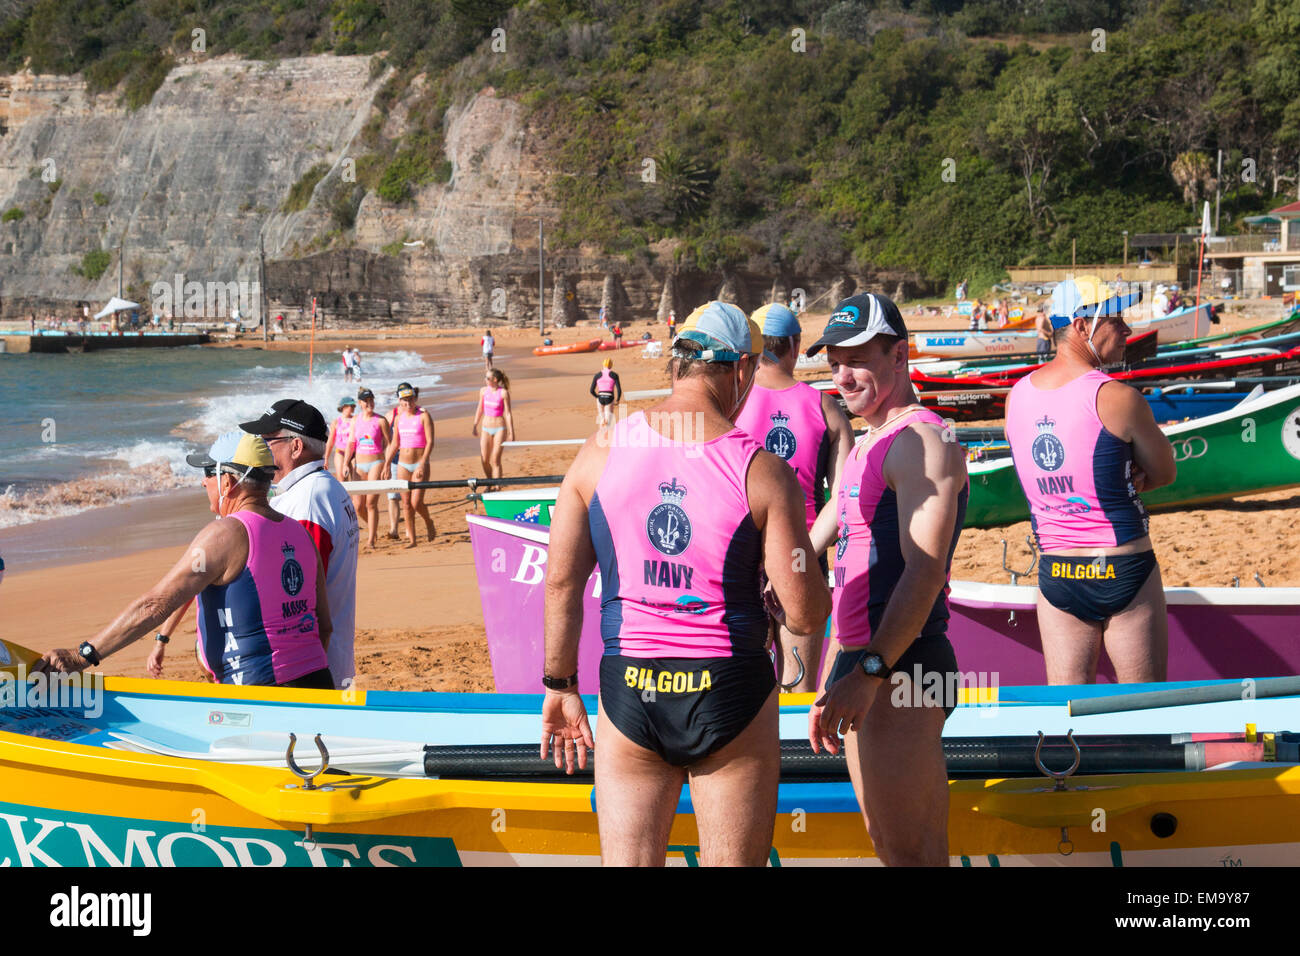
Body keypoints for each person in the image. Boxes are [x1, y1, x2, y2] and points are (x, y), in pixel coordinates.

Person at [541, 300, 831, 866]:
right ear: (742, 372)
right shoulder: (762, 470)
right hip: (727, 690)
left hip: (631, 688)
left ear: (676, 365)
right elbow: (805, 612)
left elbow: (561, 583)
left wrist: (559, 684)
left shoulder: (599, 452)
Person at [800, 292, 969, 867]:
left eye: (859, 359)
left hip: (904, 662)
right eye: (834, 363)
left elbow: (925, 569)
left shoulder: (924, 440)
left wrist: (870, 670)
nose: (844, 376)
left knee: (912, 853)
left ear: (900, 355)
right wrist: (783, 573)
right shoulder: (870, 440)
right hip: (865, 656)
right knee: (889, 844)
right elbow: (829, 525)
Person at [36, 432, 333, 688]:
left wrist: (82, 656)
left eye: (207, 473)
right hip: (318, 681)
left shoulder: (225, 534)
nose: (204, 483)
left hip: (260, 695)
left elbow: (154, 605)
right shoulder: (299, 533)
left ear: (228, 481)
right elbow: (325, 625)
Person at [1005, 276, 1176, 685]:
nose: (1128, 330)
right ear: (1083, 326)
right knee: (1145, 717)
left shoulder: (1016, 396)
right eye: (1116, 319)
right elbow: (1166, 472)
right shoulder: (1117, 396)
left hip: (1058, 572)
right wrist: (1124, 481)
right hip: (1122, 568)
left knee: (1068, 721)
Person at [735, 303, 854, 692]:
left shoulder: (729, 405)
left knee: (738, 692)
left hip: (740, 558)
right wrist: (802, 553)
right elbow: (843, 500)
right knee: (796, 692)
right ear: (796, 346)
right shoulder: (826, 408)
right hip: (802, 555)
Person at [239, 399, 360, 689]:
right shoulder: (321, 487)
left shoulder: (309, 501)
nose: (261, 450)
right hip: (322, 661)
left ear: (296, 447)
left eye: (269, 441)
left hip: (310, 669)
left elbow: (301, 597)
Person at [346, 387, 394, 549]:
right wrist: (346, 462)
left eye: (371, 400)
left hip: (376, 463)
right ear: (360, 403)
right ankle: (373, 526)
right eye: (366, 401)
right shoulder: (355, 420)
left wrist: (387, 464)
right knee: (358, 506)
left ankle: (371, 539)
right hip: (359, 465)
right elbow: (351, 443)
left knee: (371, 503)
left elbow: (390, 443)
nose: (369, 403)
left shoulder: (380, 421)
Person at [390, 382, 437, 547]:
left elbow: (430, 442)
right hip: (403, 464)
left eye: (410, 400)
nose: (408, 404)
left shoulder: (423, 415)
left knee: (417, 503)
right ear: (400, 401)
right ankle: (413, 539)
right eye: (405, 401)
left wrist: (422, 463)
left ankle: (429, 521)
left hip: (419, 463)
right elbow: (395, 444)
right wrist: (386, 464)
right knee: (406, 504)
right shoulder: (398, 419)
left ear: (414, 399)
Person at [472, 368, 513, 479]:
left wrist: (511, 432)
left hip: (499, 428)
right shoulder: (483, 391)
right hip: (486, 428)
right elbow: (480, 408)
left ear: (495, 380)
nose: (485, 379)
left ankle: (497, 487)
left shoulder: (503, 393)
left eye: (487, 378)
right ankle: (489, 483)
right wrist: (475, 425)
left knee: (495, 460)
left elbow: (508, 413)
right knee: (484, 459)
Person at [325, 396, 357, 482]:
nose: (354, 408)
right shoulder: (336, 422)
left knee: (355, 479)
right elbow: (330, 441)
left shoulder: (355, 420)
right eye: (352, 406)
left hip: (354, 453)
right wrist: (326, 459)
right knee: (342, 479)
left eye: (354, 406)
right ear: (344, 407)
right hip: (340, 452)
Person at [590, 357, 622, 427]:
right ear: (611, 365)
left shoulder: (597, 375)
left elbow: (591, 390)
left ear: (603, 365)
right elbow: (619, 389)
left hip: (600, 396)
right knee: (608, 420)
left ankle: (602, 434)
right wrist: (618, 399)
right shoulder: (614, 375)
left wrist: (597, 397)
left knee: (602, 419)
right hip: (609, 397)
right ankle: (608, 434)